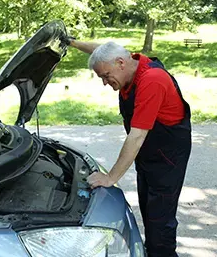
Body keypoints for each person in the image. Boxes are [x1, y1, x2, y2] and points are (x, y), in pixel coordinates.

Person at [64, 37, 192, 257]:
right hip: (150, 153)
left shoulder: (152, 80)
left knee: (160, 220)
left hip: (167, 158)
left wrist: (110, 178)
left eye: (106, 76)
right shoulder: (126, 61)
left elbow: (137, 136)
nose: (105, 82)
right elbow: (100, 51)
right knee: (149, 212)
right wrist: (72, 43)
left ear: (121, 64)